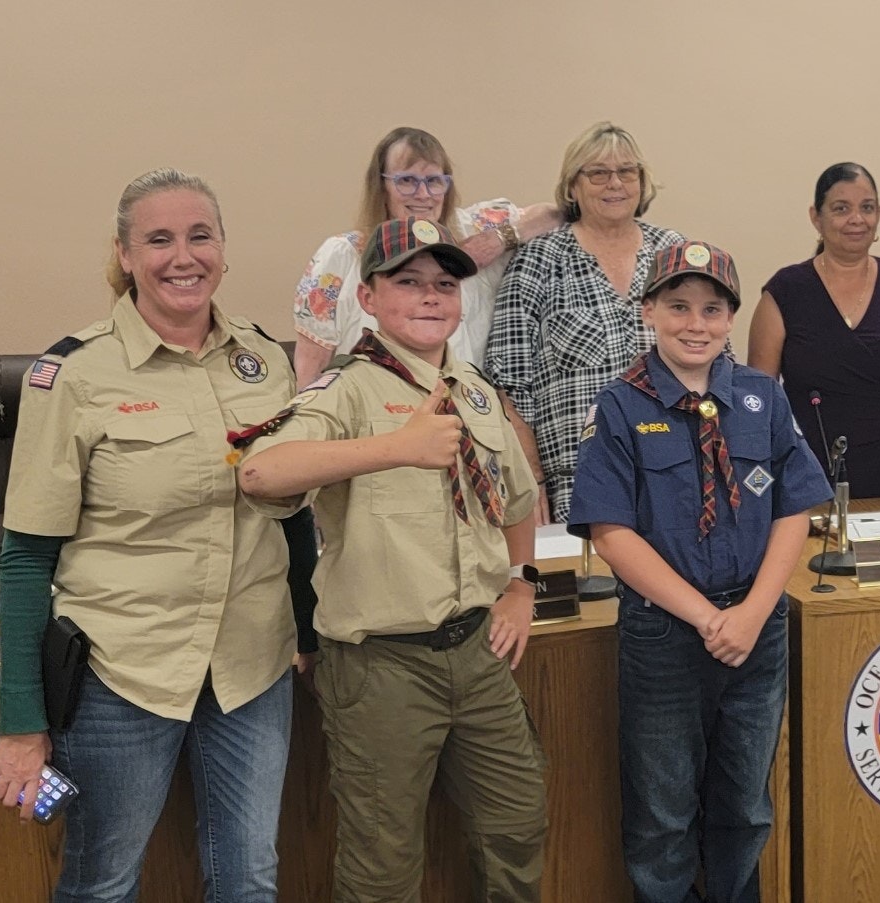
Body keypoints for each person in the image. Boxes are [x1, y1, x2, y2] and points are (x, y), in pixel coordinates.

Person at [0, 168, 318, 901]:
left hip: (250, 666)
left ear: (224, 248)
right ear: (126, 255)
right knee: (102, 883)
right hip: (122, 669)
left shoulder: (265, 364)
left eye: (200, 235)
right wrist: (21, 721)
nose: (182, 256)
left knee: (250, 876)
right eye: (158, 239)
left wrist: (311, 632)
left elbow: (293, 520)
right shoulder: (73, 373)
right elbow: (28, 556)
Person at [239, 217, 546, 903]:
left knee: (517, 824)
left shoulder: (472, 388)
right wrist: (394, 447)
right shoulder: (346, 388)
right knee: (384, 861)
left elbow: (518, 498)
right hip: (383, 665)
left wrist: (520, 583)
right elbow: (260, 473)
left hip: (477, 650)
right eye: (408, 281)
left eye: (444, 283)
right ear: (369, 297)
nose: (430, 296)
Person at [566, 241, 830, 903]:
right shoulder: (621, 406)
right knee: (662, 811)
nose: (696, 323)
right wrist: (710, 617)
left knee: (745, 803)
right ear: (649, 310)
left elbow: (794, 509)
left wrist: (752, 613)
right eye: (678, 306)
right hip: (665, 635)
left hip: (756, 629)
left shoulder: (762, 398)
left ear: (731, 317)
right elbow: (611, 532)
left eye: (712, 308)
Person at [487, 121, 685, 522]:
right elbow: (505, 384)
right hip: (580, 485)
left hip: (679, 476)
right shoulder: (538, 260)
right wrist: (532, 479)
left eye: (627, 172)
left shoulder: (674, 254)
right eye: (598, 173)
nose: (615, 183)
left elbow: (718, 361)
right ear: (572, 186)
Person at [748, 162, 880, 498]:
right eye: (840, 209)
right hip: (808, 462)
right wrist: (760, 465)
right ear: (816, 218)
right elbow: (759, 394)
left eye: (867, 208)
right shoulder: (786, 291)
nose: (856, 219)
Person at [292, 126, 562, 384]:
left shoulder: (471, 228)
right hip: (375, 416)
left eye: (434, 181)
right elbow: (309, 375)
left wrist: (497, 240)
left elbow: (556, 214)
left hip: (466, 409)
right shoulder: (342, 255)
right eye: (406, 181)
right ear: (381, 186)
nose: (423, 194)